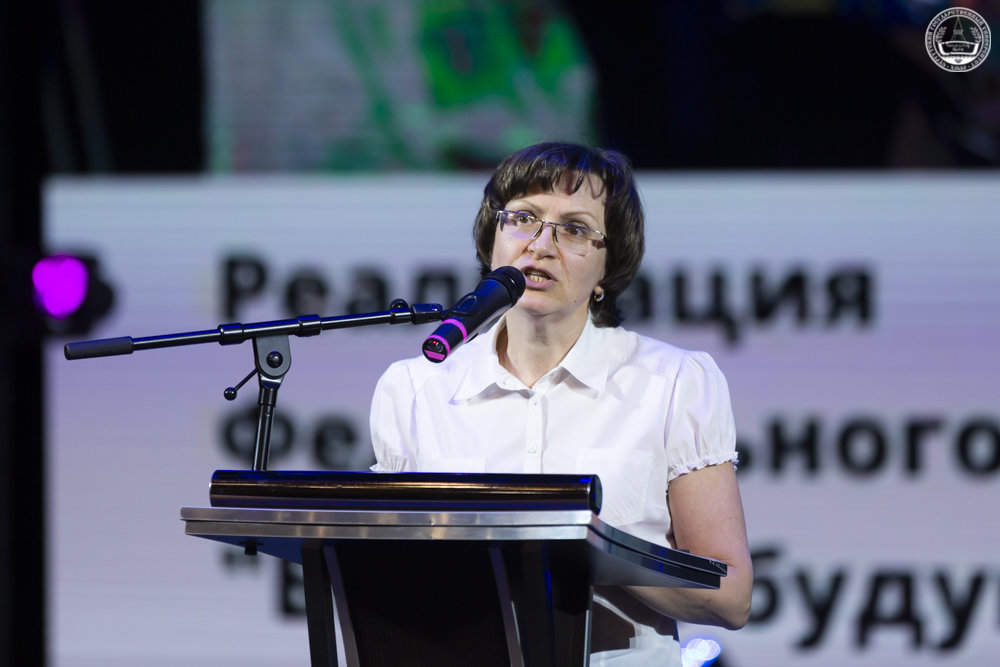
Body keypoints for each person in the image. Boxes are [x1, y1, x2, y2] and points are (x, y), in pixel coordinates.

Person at [369, 142, 752, 665]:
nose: (541, 245)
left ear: (607, 268)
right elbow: (389, 573)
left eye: (573, 229)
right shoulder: (415, 388)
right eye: (523, 218)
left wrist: (588, 544)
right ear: (492, 240)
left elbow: (730, 595)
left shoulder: (673, 382)